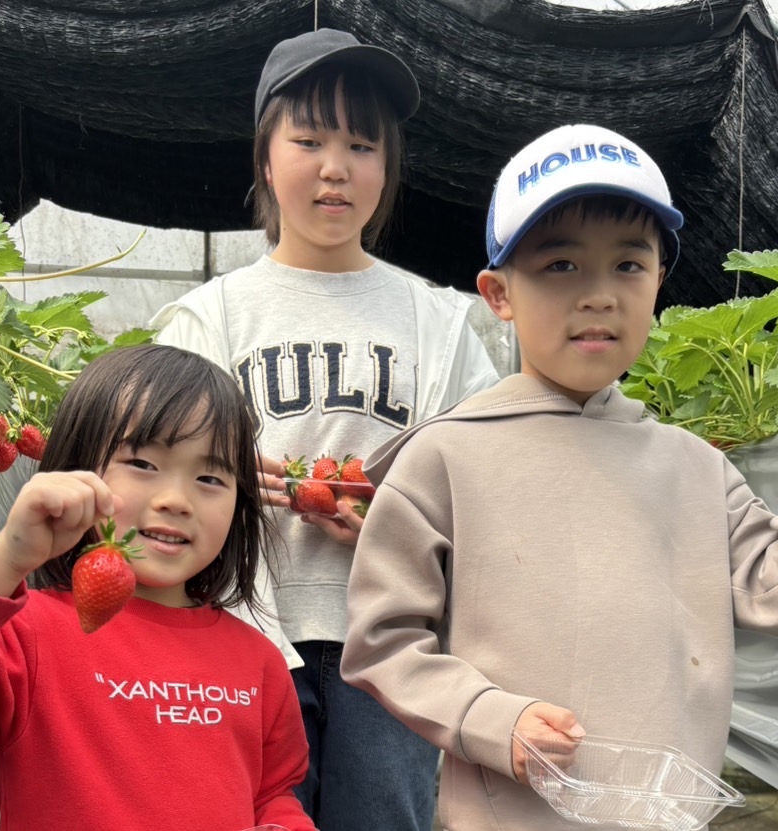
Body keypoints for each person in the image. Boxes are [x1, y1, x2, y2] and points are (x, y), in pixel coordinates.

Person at [338, 123, 778, 831]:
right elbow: (383, 641)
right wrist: (490, 719)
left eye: (628, 265)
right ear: (498, 293)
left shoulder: (695, 467)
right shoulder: (447, 457)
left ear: (659, 282)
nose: (600, 294)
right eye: (560, 264)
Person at [149, 27, 499, 831]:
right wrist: (219, 480)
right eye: (308, 140)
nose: (335, 166)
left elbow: (484, 478)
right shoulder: (211, 317)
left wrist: (398, 523)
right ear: (266, 159)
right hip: (244, 629)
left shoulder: (437, 323)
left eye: (362, 146)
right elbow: (151, 471)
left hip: (393, 640)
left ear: (388, 168)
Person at [0, 344, 316, 831]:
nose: (176, 500)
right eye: (143, 464)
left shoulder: (260, 662)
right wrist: (6, 557)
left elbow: (273, 792)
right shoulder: (27, 634)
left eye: (210, 477)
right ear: (75, 469)